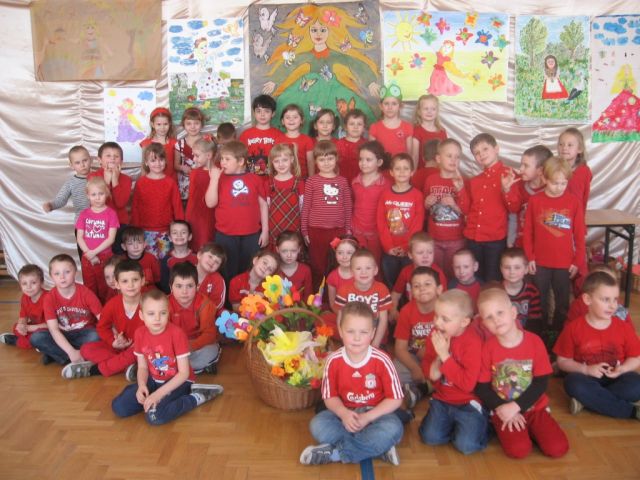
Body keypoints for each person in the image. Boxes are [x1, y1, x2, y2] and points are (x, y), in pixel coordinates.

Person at [300, 301, 403, 466]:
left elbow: (395, 399)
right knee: (318, 424)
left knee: (393, 427)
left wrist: (368, 417)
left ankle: (335, 454)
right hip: (345, 414)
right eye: (350, 331)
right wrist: (343, 414)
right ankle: (378, 448)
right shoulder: (333, 361)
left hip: (375, 415)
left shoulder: (382, 360)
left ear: (373, 333)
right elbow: (330, 397)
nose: (357, 338)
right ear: (340, 331)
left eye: (364, 332)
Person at [475, 288, 569, 459]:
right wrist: (502, 408)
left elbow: (541, 382)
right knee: (519, 450)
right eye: (489, 317)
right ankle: (503, 427)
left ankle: (532, 429)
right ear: (484, 324)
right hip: (503, 409)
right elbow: (482, 387)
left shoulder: (535, 342)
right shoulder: (487, 348)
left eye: (500, 313)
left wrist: (517, 406)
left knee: (558, 448)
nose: (496, 320)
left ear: (513, 313)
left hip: (534, 408)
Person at [111, 289, 223, 425]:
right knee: (119, 407)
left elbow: (183, 373)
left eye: (162, 313)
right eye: (151, 314)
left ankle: (196, 397)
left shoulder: (177, 334)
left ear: (168, 313)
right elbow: (142, 367)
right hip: (154, 379)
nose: (157, 318)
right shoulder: (139, 333)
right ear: (141, 315)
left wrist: (158, 395)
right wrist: (141, 386)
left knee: (154, 416)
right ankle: (151, 400)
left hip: (179, 382)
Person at [263, 4, 380, 133]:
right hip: (307, 89)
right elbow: (289, 64)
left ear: (329, 31)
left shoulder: (335, 55)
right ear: (308, 32)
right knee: (291, 107)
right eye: (314, 30)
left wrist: (370, 82)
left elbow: (354, 63)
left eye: (323, 30)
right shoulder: (306, 55)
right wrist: (274, 81)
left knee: (345, 111)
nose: (318, 34)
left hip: (332, 89)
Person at [554, 271, 640, 419]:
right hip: (587, 377)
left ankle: (587, 402)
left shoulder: (623, 327)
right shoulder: (573, 328)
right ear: (587, 299)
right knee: (573, 383)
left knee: (636, 384)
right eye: (605, 300)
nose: (612, 306)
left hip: (617, 377)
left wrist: (623, 369)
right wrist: (586, 369)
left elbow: (636, 357)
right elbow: (562, 361)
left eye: (615, 300)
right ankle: (631, 412)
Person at [523, 156, 585, 340]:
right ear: (544, 179)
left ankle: (559, 335)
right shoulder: (535, 201)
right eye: (555, 183)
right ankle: (541, 335)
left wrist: (577, 261)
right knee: (539, 300)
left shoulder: (573, 202)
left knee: (562, 302)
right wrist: (530, 257)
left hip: (564, 264)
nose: (559, 187)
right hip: (540, 262)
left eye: (563, 183)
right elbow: (528, 233)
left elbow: (579, 236)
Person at [419, 289, 487, 454]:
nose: (437, 322)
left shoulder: (472, 341)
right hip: (442, 399)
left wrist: (445, 355)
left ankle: (483, 424)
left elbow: (467, 385)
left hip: (468, 402)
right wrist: (439, 356)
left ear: (464, 322)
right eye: (436, 316)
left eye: (445, 319)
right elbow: (432, 375)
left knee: (466, 446)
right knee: (430, 437)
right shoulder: (435, 335)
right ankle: (456, 427)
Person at [64, 260, 145, 379]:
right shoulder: (112, 304)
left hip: (140, 348)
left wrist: (137, 344)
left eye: (135, 280)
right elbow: (102, 327)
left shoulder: (149, 303)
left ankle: (95, 370)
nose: (130, 285)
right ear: (117, 284)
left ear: (143, 281)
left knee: (136, 353)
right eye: (125, 281)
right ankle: (127, 366)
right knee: (85, 349)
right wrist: (113, 341)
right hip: (120, 348)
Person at [205, 140, 269, 288]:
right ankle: (227, 299)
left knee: (248, 271)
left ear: (240, 161)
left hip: (251, 234)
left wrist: (265, 231)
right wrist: (214, 180)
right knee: (226, 271)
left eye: (227, 159)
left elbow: (263, 205)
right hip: (226, 234)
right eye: (222, 158)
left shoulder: (255, 179)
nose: (222, 162)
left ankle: (247, 299)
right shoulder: (219, 179)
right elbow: (210, 203)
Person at [30, 254, 101, 365]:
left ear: (75, 272)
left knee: (96, 336)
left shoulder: (86, 293)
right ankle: (73, 357)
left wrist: (114, 337)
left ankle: (57, 355)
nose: (62, 277)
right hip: (61, 334)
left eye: (67, 272)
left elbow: (103, 319)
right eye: (57, 273)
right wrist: (71, 351)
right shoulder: (49, 298)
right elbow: (53, 329)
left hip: (84, 333)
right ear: (51, 276)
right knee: (36, 338)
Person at [458, 133, 509, 282]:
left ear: (496, 149)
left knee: (493, 280)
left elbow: (514, 208)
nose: (481, 154)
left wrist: (507, 190)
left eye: (485, 149)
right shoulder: (474, 181)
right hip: (473, 238)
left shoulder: (509, 175)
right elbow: (467, 210)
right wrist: (460, 190)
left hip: (495, 239)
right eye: (477, 153)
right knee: (474, 279)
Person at [301, 140, 352, 290]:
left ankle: (335, 294)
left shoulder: (342, 181)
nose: (326, 163)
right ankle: (317, 296)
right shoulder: (311, 181)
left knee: (336, 264)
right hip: (315, 230)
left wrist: (347, 229)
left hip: (338, 231)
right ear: (316, 161)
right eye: (322, 159)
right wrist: (304, 230)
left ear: (336, 159)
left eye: (330, 158)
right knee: (317, 265)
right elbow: (306, 207)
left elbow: (347, 206)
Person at [394, 267, 442, 409]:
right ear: (411, 291)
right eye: (416, 286)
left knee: (454, 369)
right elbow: (400, 348)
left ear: (439, 289)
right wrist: (415, 368)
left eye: (427, 284)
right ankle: (428, 385)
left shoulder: (446, 309)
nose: (422, 289)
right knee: (394, 371)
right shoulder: (406, 311)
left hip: (439, 356)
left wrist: (433, 357)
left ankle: (422, 388)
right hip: (415, 357)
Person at [377, 153, 425, 289]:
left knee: (408, 284)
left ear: (412, 172)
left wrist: (406, 247)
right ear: (391, 172)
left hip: (408, 250)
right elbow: (381, 222)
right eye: (398, 168)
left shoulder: (417, 195)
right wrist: (388, 246)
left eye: (406, 168)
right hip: (389, 250)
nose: (402, 172)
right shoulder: (385, 194)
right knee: (390, 284)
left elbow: (418, 224)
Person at [131, 143, 184, 259]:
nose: (158, 164)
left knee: (164, 263)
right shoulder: (141, 183)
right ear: (146, 162)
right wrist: (136, 230)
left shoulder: (170, 183)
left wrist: (179, 229)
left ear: (166, 161)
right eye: (153, 160)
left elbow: (177, 207)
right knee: (147, 261)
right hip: (145, 231)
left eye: (161, 160)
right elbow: (135, 207)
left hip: (166, 231)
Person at [423, 139, 466, 279]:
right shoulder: (430, 180)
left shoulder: (463, 181)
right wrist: (426, 203)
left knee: (454, 274)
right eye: (449, 156)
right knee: (435, 275)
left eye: (457, 157)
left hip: (456, 239)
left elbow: (467, 212)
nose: (454, 160)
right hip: (434, 238)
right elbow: (425, 208)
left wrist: (454, 205)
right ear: (438, 158)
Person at [168, 262, 220, 374]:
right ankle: (196, 367)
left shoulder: (205, 304)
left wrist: (191, 346)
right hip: (175, 347)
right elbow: (161, 333)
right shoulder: (165, 304)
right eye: (179, 286)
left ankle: (179, 368)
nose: (184, 291)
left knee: (211, 350)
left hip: (198, 345)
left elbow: (209, 334)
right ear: (171, 287)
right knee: (157, 350)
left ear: (197, 286)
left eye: (190, 286)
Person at [335, 249, 392, 348]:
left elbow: (383, 320)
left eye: (368, 268)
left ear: (375, 270)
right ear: (351, 272)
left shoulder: (382, 289)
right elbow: (340, 318)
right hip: (351, 337)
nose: (363, 272)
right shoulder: (344, 291)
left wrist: (375, 344)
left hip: (376, 338)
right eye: (358, 269)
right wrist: (344, 340)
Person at [42, 145, 91, 260]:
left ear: (91, 160)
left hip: (100, 222)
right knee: (85, 257)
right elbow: (61, 200)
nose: (82, 165)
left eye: (85, 160)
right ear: (71, 165)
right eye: (77, 162)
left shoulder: (98, 177)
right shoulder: (71, 183)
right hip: (82, 225)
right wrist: (51, 205)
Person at [76, 176, 119, 302]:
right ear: (88, 195)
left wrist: (94, 252)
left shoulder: (111, 214)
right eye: (93, 194)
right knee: (90, 287)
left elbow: (111, 239)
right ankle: (93, 310)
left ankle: (107, 310)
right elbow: (80, 237)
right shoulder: (84, 214)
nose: (97, 197)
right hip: (87, 257)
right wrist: (89, 254)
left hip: (105, 257)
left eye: (101, 194)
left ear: (106, 194)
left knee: (106, 286)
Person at [390, 233, 447, 321]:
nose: (425, 256)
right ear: (410, 255)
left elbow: (444, 299)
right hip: (411, 313)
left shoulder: (438, 273)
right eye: (420, 252)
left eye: (430, 252)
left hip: (433, 315)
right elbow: (396, 294)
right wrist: (393, 310)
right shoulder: (406, 272)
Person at [502, 145, 552, 248]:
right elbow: (513, 210)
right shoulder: (519, 185)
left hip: (542, 245)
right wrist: (507, 190)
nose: (520, 169)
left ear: (540, 170)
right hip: (521, 243)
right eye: (521, 164)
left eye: (526, 166)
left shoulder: (551, 190)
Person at [87, 141, 132, 254]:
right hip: (99, 222)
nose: (112, 159)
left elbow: (120, 203)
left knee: (119, 255)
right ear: (99, 160)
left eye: (116, 156)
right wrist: (106, 182)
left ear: (121, 161)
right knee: (101, 254)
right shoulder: (93, 177)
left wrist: (115, 180)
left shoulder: (126, 179)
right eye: (108, 155)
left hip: (120, 222)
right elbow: (98, 202)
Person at [351, 141, 391, 266]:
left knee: (374, 263)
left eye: (368, 160)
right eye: (361, 159)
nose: (363, 163)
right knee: (357, 263)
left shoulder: (386, 184)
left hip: (376, 233)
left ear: (379, 162)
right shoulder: (355, 182)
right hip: (356, 231)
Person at [0, 265, 48, 349]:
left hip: (48, 328)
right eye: (24, 283)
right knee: (16, 327)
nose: (28, 287)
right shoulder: (25, 298)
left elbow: (54, 325)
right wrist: (21, 325)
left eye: (33, 283)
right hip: (35, 327)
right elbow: (23, 317)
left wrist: (32, 328)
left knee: (39, 336)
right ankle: (37, 344)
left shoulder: (48, 298)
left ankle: (17, 341)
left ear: (42, 282)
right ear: (20, 285)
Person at [266, 143, 304, 249]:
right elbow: (266, 208)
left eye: (284, 160)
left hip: (294, 229)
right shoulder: (268, 184)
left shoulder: (299, 183)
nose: (281, 164)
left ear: (292, 159)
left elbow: (303, 208)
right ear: (272, 162)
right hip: (274, 229)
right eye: (276, 161)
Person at [238, 94, 286, 176]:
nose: (262, 114)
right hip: (250, 178)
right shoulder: (245, 135)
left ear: (273, 113)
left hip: (273, 178)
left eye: (266, 111)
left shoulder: (279, 135)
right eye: (258, 111)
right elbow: (239, 157)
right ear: (254, 113)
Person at [567, 264, 631, 323]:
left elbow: (629, 329)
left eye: (610, 283)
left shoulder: (620, 309)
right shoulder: (578, 305)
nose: (613, 305)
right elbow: (570, 328)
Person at [500, 248, 542, 334]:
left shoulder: (532, 291)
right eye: (507, 267)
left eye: (517, 267)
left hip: (526, 334)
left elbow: (535, 320)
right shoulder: (496, 291)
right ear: (501, 269)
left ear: (526, 269)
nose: (512, 272)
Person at [369, 84, 414, 162]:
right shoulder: (374, 128)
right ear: (381, 106)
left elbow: (409, 154)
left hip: (401, 168)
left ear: (400, 106)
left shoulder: (407, 127)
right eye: (386, 103)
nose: (390, 107)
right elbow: (371, 154)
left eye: (394, 104)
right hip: (381, 168)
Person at [186, 139, 217, 253]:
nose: (194, 159)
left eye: (197, 156)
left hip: (210, 216)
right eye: (193, 155)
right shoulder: (194, 172)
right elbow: (192, 199)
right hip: (195, 215)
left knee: (206, 245)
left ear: (208, 155)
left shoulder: (217, 173)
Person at [175, 107, 211, 204]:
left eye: (196, 123)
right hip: (185, 183)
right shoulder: (180, 143)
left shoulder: (207, 140)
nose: (193, 127)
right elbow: (176, 165)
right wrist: (182, 167)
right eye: (189, 123)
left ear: (202, 124)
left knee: (202, 203)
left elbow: (212, 160)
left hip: (203, 180)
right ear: (183, 125)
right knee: (187, 206)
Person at [557, 127, 591, 213]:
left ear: (579, 149)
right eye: (561, 144)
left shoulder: (585, 171)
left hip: (575, 215)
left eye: (570, 145)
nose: (564, 148)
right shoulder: (553, 168)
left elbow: (584, 196)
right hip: (555, 215)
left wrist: (580, 216)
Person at [159, 220, 197, 294]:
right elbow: (164, 284)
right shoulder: (166, 260)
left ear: (189, 236)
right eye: (175, 233)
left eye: (183, 232)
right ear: (170, 237)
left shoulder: (197, 257)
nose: (179, 235)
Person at [140, 107, 177, 179]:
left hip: (171, 181)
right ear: (152, 124)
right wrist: (143, 182)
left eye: (165, 124)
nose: (162, 128)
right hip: (152, 181)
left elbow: (176, 166)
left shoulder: (175, 143)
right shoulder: (146, 144)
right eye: (159, 124)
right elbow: (144, 166)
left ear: (170, 124)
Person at [412, 94, 448, 167]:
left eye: (433, 109)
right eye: (426, 109)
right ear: (419, 111)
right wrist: (413, 172)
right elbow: (414, 155)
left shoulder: (442, 131)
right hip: (422, 170)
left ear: (437, 111)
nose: (429, 112)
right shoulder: (416, 130)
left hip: (439, 171)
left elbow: (446, 153)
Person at [280, 104, 313, 177]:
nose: (291, 120)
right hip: (283, 178)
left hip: (302, 179)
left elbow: (310, 162)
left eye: (295, 117)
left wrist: (311, 180)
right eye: (287, 117)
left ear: (301, 120)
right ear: (282, 121)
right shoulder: (278, 140)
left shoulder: (307, 140)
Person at [276, 231, 312, 298]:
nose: (289, 255)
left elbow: (308, 297)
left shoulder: (305, 270)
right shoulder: (274, 269)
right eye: (284, 251)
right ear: (277, 250)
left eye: (293, 251)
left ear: (299, 249)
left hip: (300, 305)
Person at [326, 236, 358, 313]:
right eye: (340, 253)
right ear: (335, 254)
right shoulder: (332, 277)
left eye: (349, 253)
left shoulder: (362, 274)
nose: (344, 257)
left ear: (357, 254)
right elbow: (333, 304)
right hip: (341, 315)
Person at [335, 109, 367, 184]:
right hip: (342, 183)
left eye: (359, 124)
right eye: (352, 124)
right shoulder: (338, 144)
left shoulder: (367, 145)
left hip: (361, 183)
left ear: (364, 128)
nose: (355, 127)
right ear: (345, 127)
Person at [196, 242, 226, 311]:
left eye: (217, 262)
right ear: (199, 255)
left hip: (207, 314)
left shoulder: (218, 280)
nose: (212, 262)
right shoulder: (186, 271)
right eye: (210, 256)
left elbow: (217, 305)